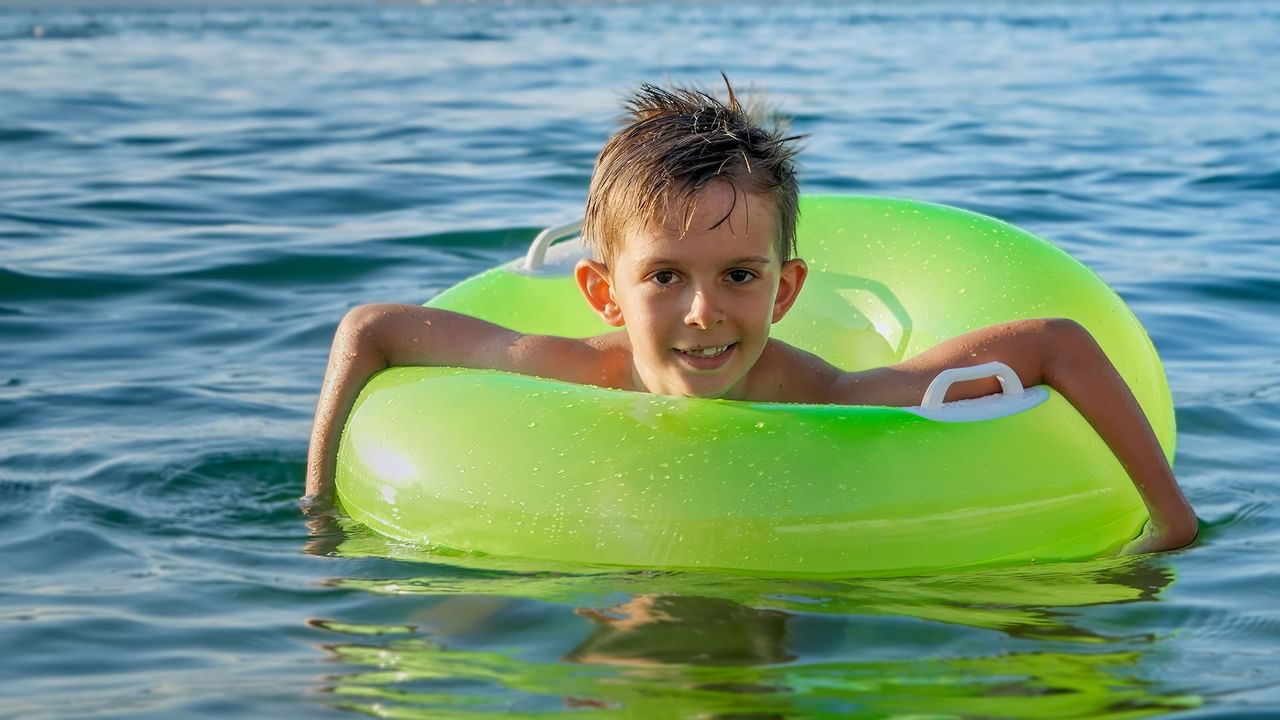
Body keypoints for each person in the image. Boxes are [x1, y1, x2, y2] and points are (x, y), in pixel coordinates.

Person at [304, 79, 1196, 554]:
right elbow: (370, 328)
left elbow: (1058, 343)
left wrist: (1172, 522)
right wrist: (319, 508)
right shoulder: (576, 368)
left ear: (787, 289)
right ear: (605, 294)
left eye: (739, 274)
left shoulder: (833, 395)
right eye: (664, 278)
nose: (704, 312)